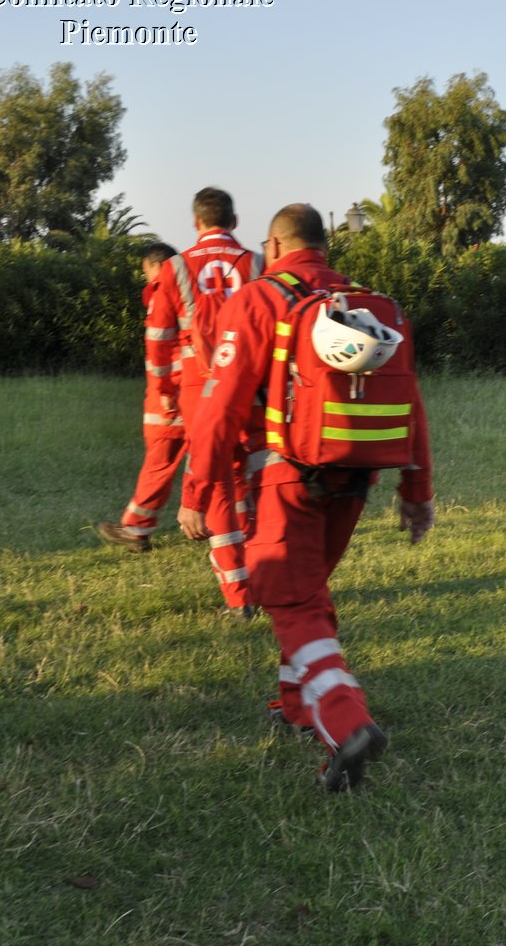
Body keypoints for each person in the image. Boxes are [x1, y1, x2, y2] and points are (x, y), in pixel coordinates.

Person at [178, 203, 435, 791]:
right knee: (307, 592)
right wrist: (417, 492)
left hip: (289, 478)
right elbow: (412, 404)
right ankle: (297, 705)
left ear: (273, 244)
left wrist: (196, 492)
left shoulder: (259, 300)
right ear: (324, 245)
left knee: (289, 601)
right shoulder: (371, 306)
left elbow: (218, 408)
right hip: (357, 476)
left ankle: (346, 722)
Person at [106, 187, 264, 618]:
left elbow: (158, 339)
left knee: (218, 485)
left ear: (196, 223)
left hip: (200, 388)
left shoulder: (175, 268)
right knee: (253, 481)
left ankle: (239, 594)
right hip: (253, 386)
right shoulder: (256, 263)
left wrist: (162, 390)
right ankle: (264, 573)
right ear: (233, 222)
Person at [98, 243, 183, 553]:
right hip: (198, 387)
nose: (145, 277)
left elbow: (158, 345)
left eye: (145, 270)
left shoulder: (163, 292)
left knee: (160, 458)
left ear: (157, 267)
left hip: (172, 389)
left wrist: (163, 393)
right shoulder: (193, 290)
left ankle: (136, 527)